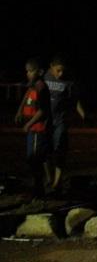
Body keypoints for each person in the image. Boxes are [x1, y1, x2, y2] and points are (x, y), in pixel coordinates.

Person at [44, 54, 86, 192]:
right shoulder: (44, 77)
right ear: (51, 67)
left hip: (60, 121)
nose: (61, 74)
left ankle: (57, 182)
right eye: (58, 70)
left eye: (63, 71)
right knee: (44, 151)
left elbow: (74, 100)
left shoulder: (68, 81)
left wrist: (82, 113)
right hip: (45, 120)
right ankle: (49, 178)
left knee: (59, 150)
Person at [14, 58, 52, 198]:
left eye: (31, 71)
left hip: (38, 129)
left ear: (40, 72)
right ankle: (38, 188)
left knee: (35, 159)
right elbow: (26, 96)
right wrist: (19, 111)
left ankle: (39, 190)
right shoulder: (33, 85)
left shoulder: (41, 87)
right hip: (33, 129)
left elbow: (42, 111)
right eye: (27, 71)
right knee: (33, 160)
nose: (28, 73)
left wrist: (29, 124)